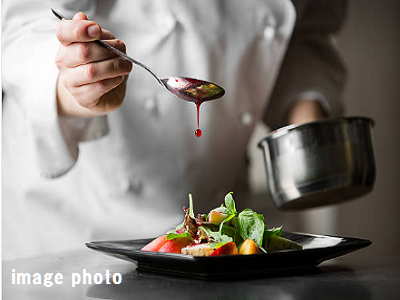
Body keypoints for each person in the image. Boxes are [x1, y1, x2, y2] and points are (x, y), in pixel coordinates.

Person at [2, 0, 346, 260]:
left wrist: (305, 119)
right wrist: (78, 82)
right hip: (75, 228)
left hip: (217, 232)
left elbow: (304, 33)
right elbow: (22, 24)